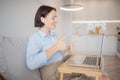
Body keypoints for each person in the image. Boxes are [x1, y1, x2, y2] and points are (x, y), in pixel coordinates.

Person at [26, 5, 75, 80]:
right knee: (84, 75)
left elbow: (56, 57)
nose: (57, 21)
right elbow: (31, 63)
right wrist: (56, 47)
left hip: (60, 66)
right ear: (43, 19)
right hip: (51, 73)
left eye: (56, 18)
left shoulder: (53, 36)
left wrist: (68, 51)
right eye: (53, 18)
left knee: (84, 73)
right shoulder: (35, 38)